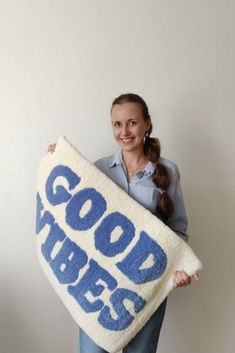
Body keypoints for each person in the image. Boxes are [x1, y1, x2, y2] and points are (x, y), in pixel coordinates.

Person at [48, 93, 199, 353]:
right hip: (99, 290)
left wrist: (179, 268)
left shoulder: (168, 171)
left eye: (132, 122)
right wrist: (55, 160)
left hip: (146, 288)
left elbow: (177, 229)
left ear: (147, 124)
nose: (124, 131)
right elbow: (71, 220)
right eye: (117, 124)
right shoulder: (97, 169)